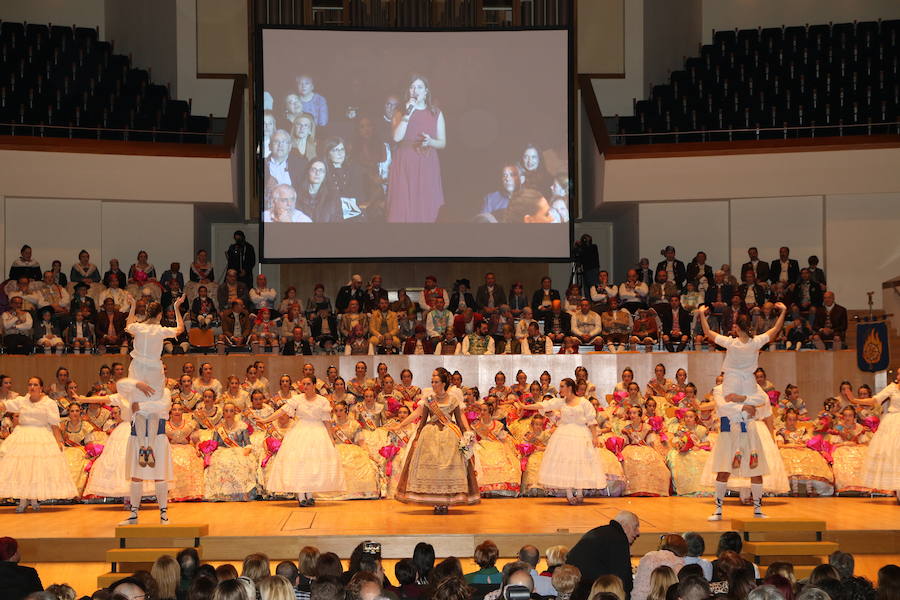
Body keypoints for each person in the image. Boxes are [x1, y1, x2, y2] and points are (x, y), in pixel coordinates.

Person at [389, 370, 479, 513]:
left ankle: (446, 502)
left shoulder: (453, 400)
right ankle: (435, 502)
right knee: (432, 468)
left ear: (444, 383)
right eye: (432, 382)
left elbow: (460, 422)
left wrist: (467, 435)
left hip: (450, 434)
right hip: (429, 434)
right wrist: (415, 438)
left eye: (436, 382)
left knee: (448, 468)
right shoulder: (429, 399)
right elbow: (422, 421)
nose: (433, 384)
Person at [258, 377, 345, 506]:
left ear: (315, 385)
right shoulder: (297, 399)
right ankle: (301, 496)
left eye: (308, 384)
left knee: (312, 464)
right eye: (303, 384)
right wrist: (265, 420)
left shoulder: (323, 401)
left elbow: (326, 420)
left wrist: (331, 437)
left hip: (317, 432)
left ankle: (309, 495)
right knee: (299, 463)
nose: (306, 386)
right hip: (300, 432)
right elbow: (281, 411)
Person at [518, 378, 606, 504]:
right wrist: (525, 406)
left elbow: (591, 421)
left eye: (562, 387)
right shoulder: (561, 402)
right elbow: (543, 405)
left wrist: (595, 437)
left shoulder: (584, 402)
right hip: (564, 434)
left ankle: (580, 492)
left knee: (580, 462)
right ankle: (569, 494)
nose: (560, 390)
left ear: (569, 387)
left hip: (581, 434)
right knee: (566, 463)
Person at [0, 377, 77, 511]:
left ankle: (34, 499)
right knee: (23, 469)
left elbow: (54, 424)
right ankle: (23, 500)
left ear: (41, 387)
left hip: (41, 436)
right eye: (30, 384)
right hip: (22, 437)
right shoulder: (22, 400)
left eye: (35, 385)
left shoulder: (49, 403)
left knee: (37, 470)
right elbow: (5, 405)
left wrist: (58, 441)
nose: (32, 387)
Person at [387, 75, 446, 223]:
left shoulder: (436, 113)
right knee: (403, 204)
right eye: (412, 87)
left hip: (426, 162)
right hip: (405, 162)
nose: (416, 90)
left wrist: (431, 141)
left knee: (425, 203)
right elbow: (396, 138)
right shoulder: (400, 112)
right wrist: (408, 114)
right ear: (408, 91)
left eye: (420, 87)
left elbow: (443, 143)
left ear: (426, 91)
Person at [566, 511, 639, 600]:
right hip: (589, 590)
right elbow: (623, 579)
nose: (637, 533)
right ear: (624, 526)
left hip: (574, 586)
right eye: (635, 527)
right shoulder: (619, 539)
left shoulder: (602, 531)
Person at [858, 371, 900, 503]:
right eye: (898, 374)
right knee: (893, 455)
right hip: (893, 422)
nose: (898, 376)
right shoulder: (892, 387)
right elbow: (876, 399)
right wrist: (854, 400)